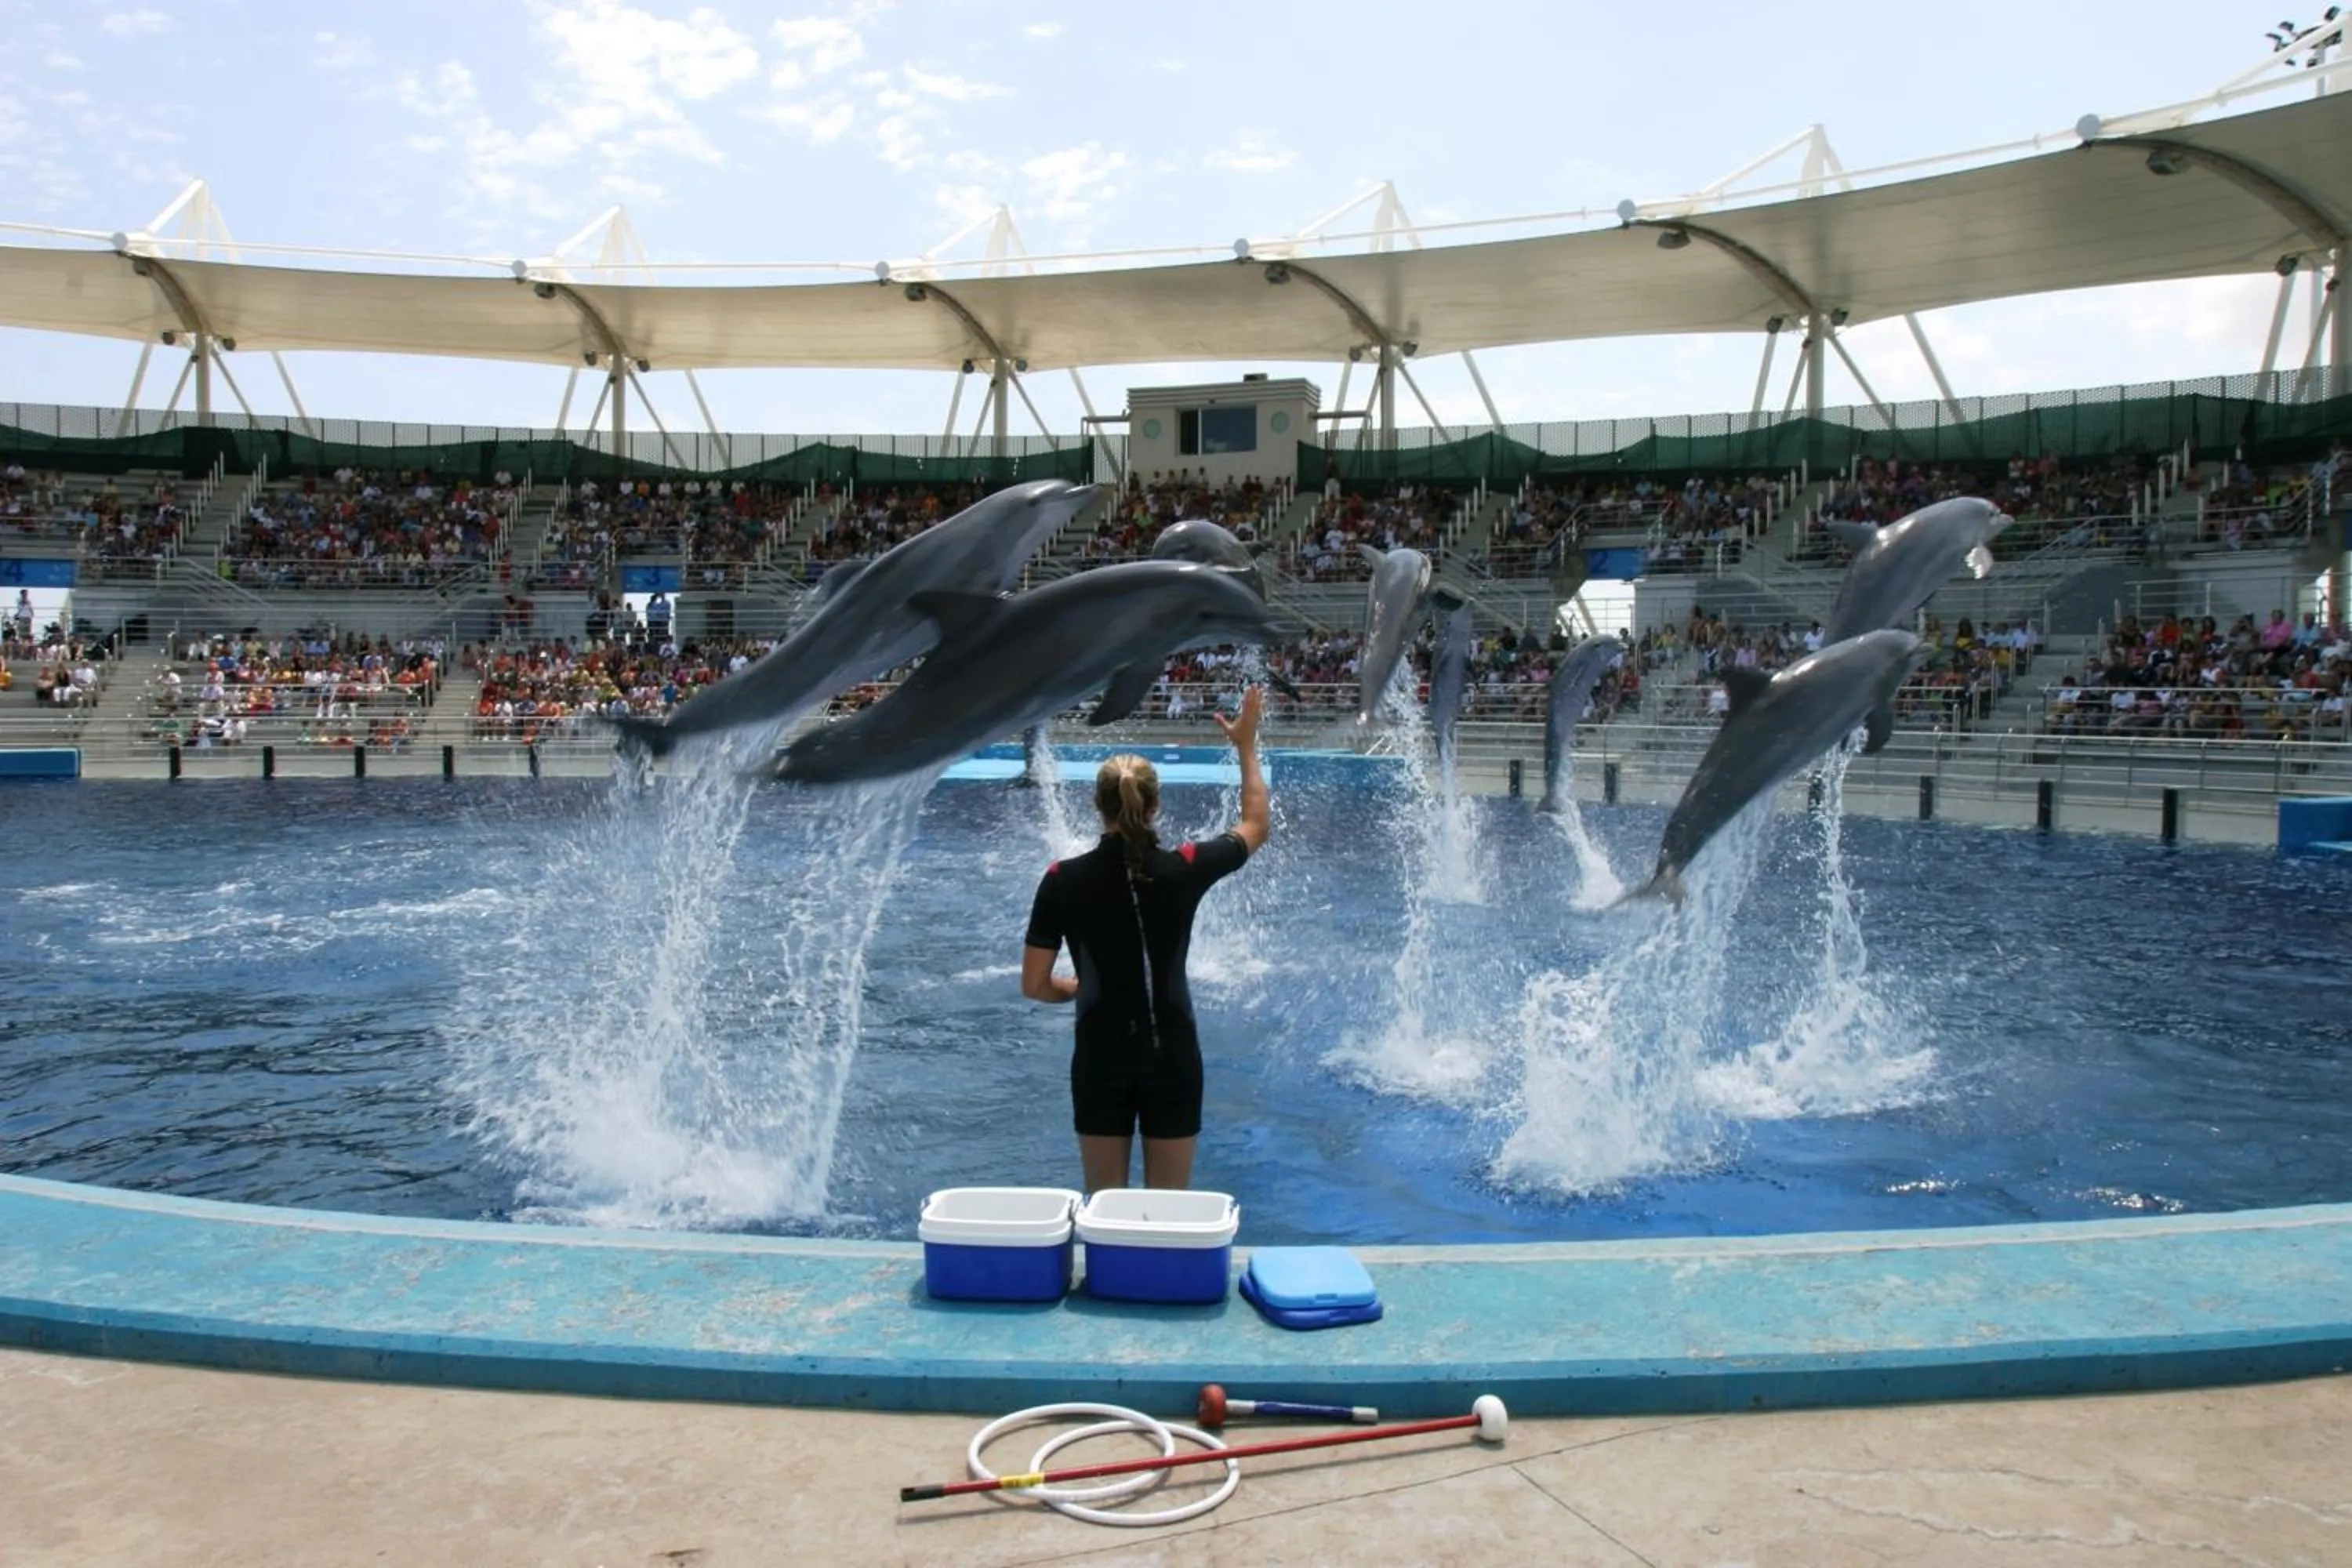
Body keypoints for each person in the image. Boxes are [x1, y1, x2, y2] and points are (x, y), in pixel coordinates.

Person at [1021, 686, 1272, 1193]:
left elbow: (1035, 985)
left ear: (1097, 804)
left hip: (1099, 1057)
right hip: (1173, 1054)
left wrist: (1079, 987)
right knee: (1170, 1212)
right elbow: (1256, 824)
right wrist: (1245, 745)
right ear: (1155, 805)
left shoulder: (1060, 879)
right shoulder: (1185, 868)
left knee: (1103, 1206)